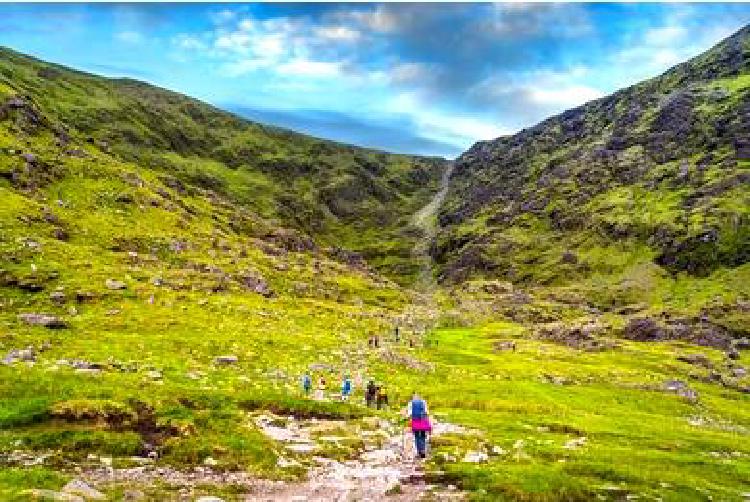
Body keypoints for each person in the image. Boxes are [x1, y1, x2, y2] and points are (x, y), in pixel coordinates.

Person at [405, 392, 431, 459]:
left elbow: (409, 413)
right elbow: (427, 412)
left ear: (413, 397)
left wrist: (408, 419)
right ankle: (423, 450)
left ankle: (419, 451)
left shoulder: (411, 403)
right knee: (423, 435)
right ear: (419, 396)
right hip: (423, 420)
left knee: (416, 436)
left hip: (415, 421)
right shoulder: (423, 402)